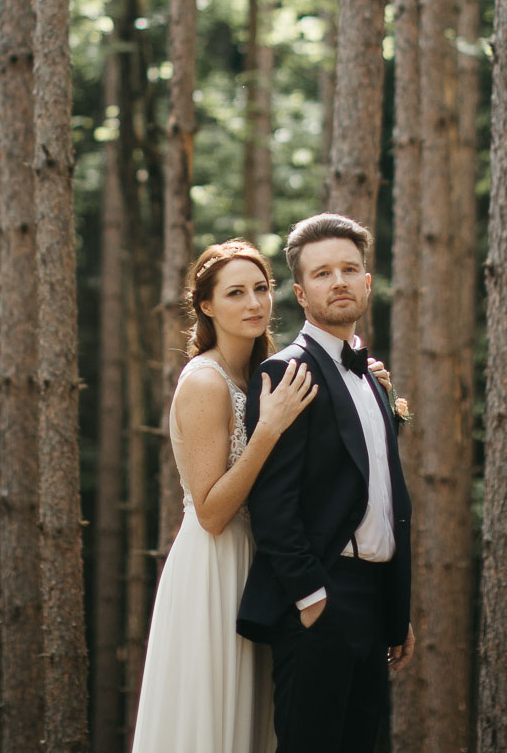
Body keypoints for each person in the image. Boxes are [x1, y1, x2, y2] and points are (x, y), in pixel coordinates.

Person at [237, 213, 415, 753]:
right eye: (322, 273)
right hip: (320, 599)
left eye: (349, 269)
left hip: (376, 601)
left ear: (366, 281)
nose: (337, 281)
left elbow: (380, 493)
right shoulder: (284, 374)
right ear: (300, 291)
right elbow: (272, 503)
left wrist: (397, 607)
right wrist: (312, 598)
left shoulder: (371, 376)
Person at [131, 239, 317, 753]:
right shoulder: (205, 382)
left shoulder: (268, 374)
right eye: (236, 293)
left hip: (264, 565)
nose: (254, 303)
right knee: (211, 723)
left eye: (261, 289)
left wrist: (371, 391)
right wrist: (269, 430)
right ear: (207, 306)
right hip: (215, 566)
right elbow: (212, 513)